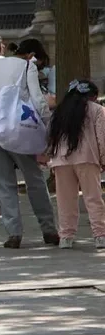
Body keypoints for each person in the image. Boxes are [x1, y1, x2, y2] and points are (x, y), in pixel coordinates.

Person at [0, 38, 58, 249]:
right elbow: (38, 101)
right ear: (32, 56)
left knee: (4, 184)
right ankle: (49, 229)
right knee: (34, 179)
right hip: (16, 132)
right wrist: (49, 128)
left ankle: (14, 233)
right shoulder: (27, 66)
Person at [46, 80, 105, 249]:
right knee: (93, 198)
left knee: (65, 200)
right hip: (87, 158)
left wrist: (50, 157)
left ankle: (66, 236)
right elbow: (102, 138)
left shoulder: (59, 112)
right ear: (92, 96)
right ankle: (100, 235)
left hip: (61, 160)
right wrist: (103, 159)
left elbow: (50, 137)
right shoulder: (97, 110)